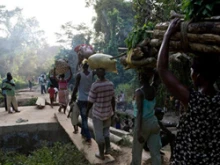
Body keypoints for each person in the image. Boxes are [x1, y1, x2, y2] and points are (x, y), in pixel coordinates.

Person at [157, 18, 220, 164]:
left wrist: (167, 35)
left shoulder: (193, 99)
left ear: (198, 76)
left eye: (192, 72)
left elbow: (162, 69)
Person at [131, 68, 161, 165]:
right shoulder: (153, 88)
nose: (139, 77)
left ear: (141, 77)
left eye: (140, 75)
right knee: (155, 153)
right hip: (153, 122)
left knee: (136, 153)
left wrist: (139, 131)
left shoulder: (139, 92)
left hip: (142, 124)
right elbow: (157, 76)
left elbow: (139, 112)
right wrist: (153, 71)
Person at [87, 68, 115, 160]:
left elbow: (90, 101)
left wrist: (87, 111)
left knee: (99, 134)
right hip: (108, 112)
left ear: (97, 74)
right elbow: (113, 99)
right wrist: (113, 111)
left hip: (98, 114)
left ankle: (101, 154)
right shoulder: (110, 84)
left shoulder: (95, 86)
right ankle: (108, 149)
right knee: (106, 132)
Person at [69, 61, 95, 143]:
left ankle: (88, 136)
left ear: (82, 67)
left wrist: (72, 98)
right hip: (90, 100)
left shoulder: (79, 75)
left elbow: (76, 87)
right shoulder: (92, 73)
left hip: (81, 99)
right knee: (85, 116)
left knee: (84, 118)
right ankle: (83, 132)